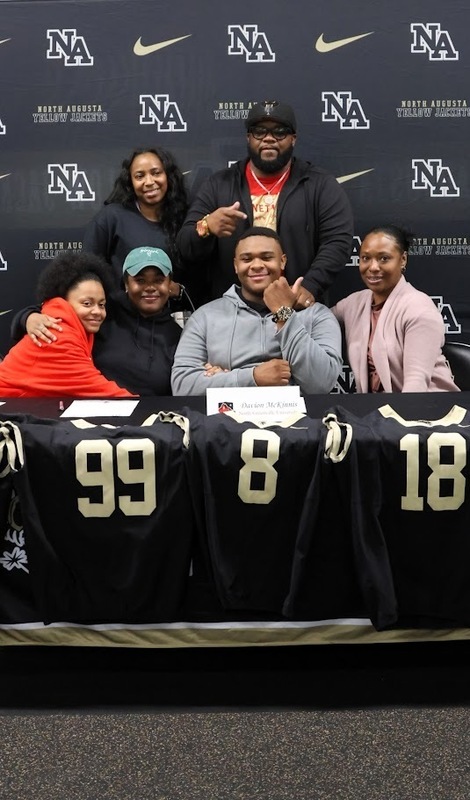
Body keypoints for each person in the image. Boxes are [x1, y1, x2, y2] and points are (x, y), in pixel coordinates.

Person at [177, 100, 354, 304]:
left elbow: (337, 242)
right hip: (234, 314)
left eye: (279, 132)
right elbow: (184, 246)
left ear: (293, 139)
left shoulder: (319, 184)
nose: (269, 138)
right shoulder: (219, 184)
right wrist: (206, 226)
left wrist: (311, 285)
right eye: (259, 131)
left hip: (296, 308)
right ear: (248, 137)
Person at [171, 227, 342, 396]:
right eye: (246, 259)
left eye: (267, 257)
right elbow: (182, 385)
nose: (257, 265)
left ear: (282, 261)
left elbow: (322, 384)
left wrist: (284, 314)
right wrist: (252, 377)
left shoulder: (316, 314)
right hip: (224, 421)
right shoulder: (205, 316)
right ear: (236, 265)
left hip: (301, 420)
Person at [12, 247, 182, 396]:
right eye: (140, 280)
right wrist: (28, 317)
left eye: (159, 280)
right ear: (126, 284)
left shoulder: (178, 334)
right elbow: (57, 309)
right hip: (93, 413)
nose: (150, 287)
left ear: (170, 285)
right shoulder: (104, 308)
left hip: (153, 418)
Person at [331, 224, 459, 392]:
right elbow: (320, 319)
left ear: (403, 259)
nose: (373, 267)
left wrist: (390, 418)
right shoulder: (354, 303)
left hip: (427, 409)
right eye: (365, 258)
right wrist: (289, 307)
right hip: (376, 411)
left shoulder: (419, 308)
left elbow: (416, 384)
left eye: (384, 258)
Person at [0, 252, 133, 398]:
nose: (97, 311)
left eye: (101, 304)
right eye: (87, 303)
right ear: (64, 301)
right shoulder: (56, 334)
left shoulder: (73, 325)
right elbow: (104, 392)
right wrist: (146, 412)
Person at [82, 146, 194, 306]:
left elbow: (200, 277)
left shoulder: (186, 219)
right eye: (140, 176)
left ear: (168, 176)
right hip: (120, 319)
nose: (149, 182)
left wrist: (178, 291)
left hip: (169, 321)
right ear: (130, 182)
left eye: (156, 173)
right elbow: (86, 270)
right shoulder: (112, 217)